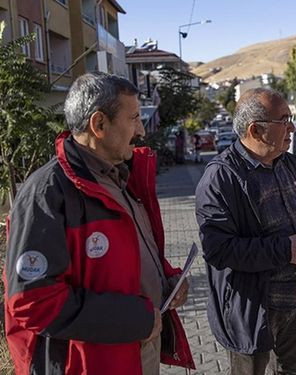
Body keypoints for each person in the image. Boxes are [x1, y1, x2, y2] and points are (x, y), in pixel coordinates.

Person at [4, 72, 194, 375]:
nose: (142, 130)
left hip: (133, 354)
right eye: (134, 118)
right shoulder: (47, 194)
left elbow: (127, 257)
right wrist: (133, 319)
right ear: (99, 124)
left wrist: (165, 281)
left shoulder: (120, 178)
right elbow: (32, 301)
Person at [195, 88, 296, 374]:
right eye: (284, 120)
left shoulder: (288, 162)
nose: (292, 127)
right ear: (255, 130)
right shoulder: (221, 177)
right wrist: (288, 249)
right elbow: (218, 250)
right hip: (253, 313)